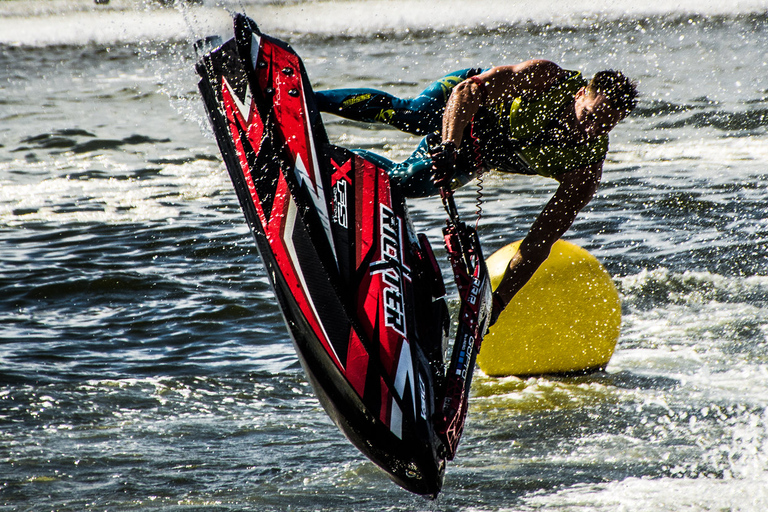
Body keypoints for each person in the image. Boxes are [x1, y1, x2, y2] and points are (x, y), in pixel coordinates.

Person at [315, 61, 637, 324]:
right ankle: (311, 100)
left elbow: (538, 243)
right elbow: (468, 90)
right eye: (590, 116)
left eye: (604, 126)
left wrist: (499, 302)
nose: (589, 130)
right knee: (411, 115)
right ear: (582, 93)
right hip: (461, 109)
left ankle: (328, 159)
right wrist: (448, 147)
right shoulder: (546, 79)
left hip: (476, 154)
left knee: (406, 182)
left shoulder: (585, 169)